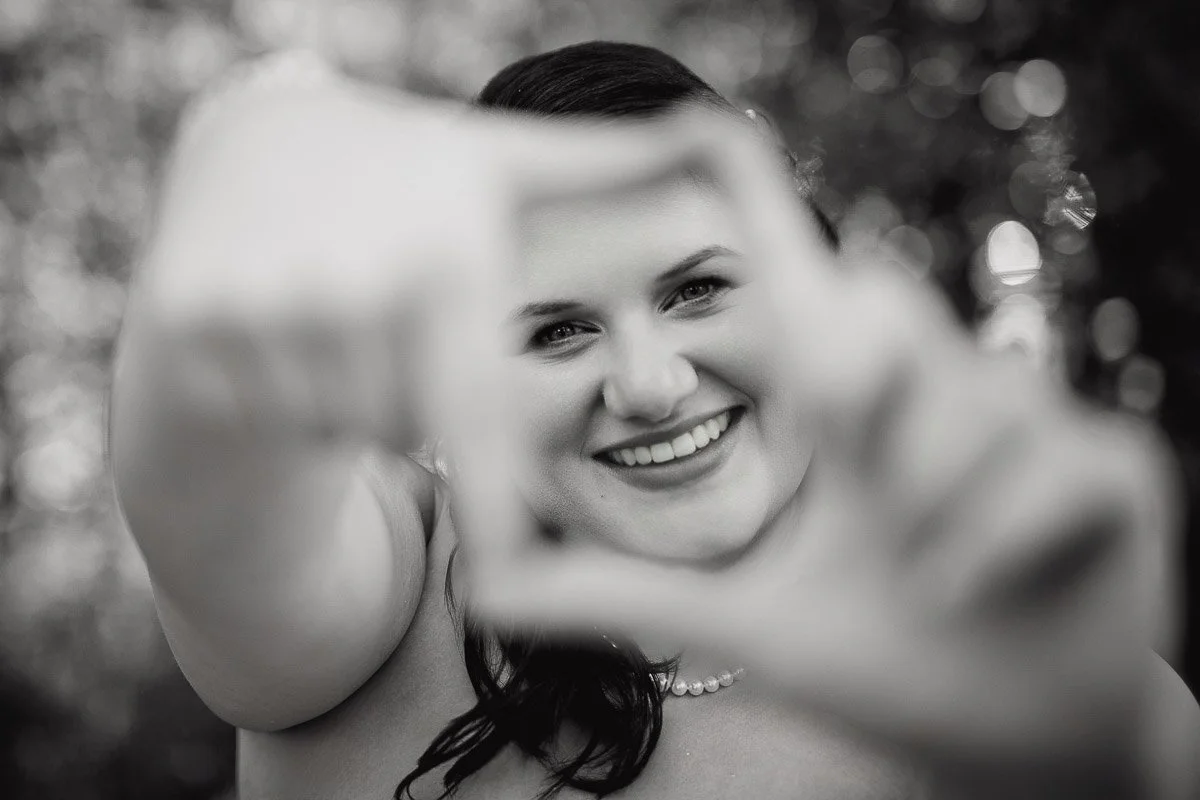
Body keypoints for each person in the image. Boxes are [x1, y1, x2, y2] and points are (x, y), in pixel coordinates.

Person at [108, 41, 1200, 799]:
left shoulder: (1000, 643)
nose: (651, 382)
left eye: (696, 290)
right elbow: (223, 509)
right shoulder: (384, 592)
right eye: (555, 331)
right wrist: (197, 347)